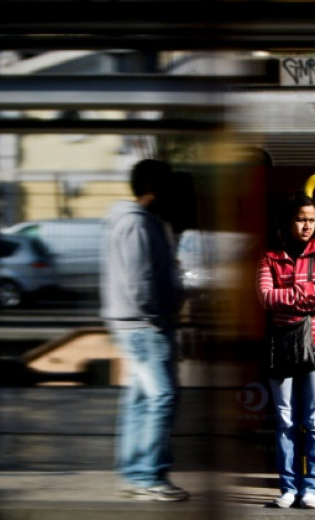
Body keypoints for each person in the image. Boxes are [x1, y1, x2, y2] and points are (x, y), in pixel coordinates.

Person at [100, 158, 188, 502]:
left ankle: (135, 473)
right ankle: (150, 476)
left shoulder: (126, 221)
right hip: (145, 324)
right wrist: (161, 314)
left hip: (132, 322)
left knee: (140, 398)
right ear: (155, 187)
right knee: (162, 395)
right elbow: (141, 283)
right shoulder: (137, 225)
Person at [255, 192, 315, 509]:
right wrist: (307, 291)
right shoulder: (269, 258)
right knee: (285, 419)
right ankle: (289, 488)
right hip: (284, 344)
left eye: (311, 219)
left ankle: (313, 490)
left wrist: (288, 293)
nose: (307, 225)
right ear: (286, 221)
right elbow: (265, 297)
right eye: (300, 219)